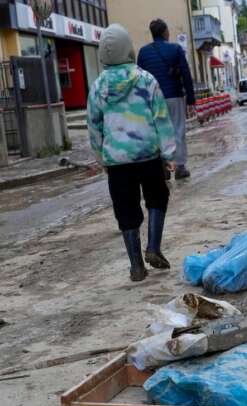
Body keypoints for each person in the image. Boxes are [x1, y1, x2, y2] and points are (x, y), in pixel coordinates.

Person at [88, 24, 176, 282]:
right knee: (157, 196)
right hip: (148, 154)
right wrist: (169, 154)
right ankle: (154, 247)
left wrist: (101, 156)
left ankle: (136, 265)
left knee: (125, 209)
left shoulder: (98, 86)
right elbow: (162, 118)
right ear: (129, 48)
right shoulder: (146, 79)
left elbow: (94, 125)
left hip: (117, 160)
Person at [137, 19, 195, 180]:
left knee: (158, 132)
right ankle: (180, 167)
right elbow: (186, 74)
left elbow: (138, 78)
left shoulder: (143, 52)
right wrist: (191, 99)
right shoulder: (176, 49)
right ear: (165, 32)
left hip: (153, 99)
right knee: (178, 130)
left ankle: (163, 166)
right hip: (174, 96)